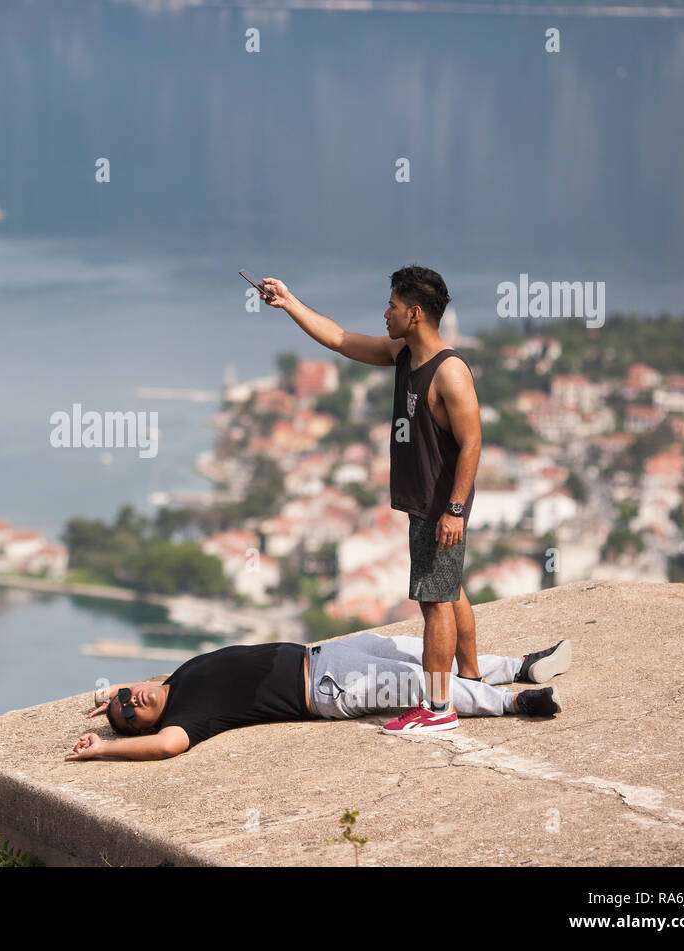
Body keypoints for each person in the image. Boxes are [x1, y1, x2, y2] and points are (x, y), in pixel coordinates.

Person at [259, 266, 480, 734]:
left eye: (393, 306)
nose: (386, 314)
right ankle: (473, 678)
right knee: (447, 587)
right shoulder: (404, 354)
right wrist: (289, 302)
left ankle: (439, 707)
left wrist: (455, 510)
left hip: (440, 506)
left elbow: (473, 442)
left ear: (415, 313)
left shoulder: (450, 371)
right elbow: (339, 339)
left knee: (434, 601)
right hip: (425, 500)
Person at [65, 633, 572, 761]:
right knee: (418, 685)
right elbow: (166, 747)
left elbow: (136, 692)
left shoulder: (175, 677)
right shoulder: (188, 717)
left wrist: (112, 692)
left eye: (128, 697)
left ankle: (518, 668)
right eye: (129, 714)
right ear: (144, 727)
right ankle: (516, 703)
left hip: (327, 652)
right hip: (328, 688)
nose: (133, 703)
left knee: (419, 649)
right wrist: (106, 746)